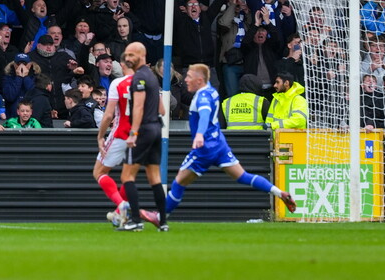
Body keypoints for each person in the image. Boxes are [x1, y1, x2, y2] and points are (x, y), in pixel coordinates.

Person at [140, 64, 296, 228]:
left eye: (189, 76)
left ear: (199, 80)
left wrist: (200, 134)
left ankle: (161, 217)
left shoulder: (202, 97)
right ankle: (280, 193)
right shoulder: (212, 92)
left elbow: (205, 114)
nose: (185, 79)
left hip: (205, 147)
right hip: (220, 144)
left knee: (179, 182)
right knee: (242, 176)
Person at [117, 41, 166, 231]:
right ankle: (163, 223)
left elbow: (137, 107)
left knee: (127, 175)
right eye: (126, 55)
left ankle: (136, 220)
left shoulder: (138, 78)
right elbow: (161, 108)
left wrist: (134, 133)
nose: (127, 58)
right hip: (156, 128)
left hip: (143, 130)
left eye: (131, 55)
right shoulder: (153, 77)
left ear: (141, 55)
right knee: (154, 177)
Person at [95, 55, 133, 228]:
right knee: (128, 177)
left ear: (123, 65)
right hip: (141, 136)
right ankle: (120, 215)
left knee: (99, 171)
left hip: (121, 133)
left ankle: (121, 205)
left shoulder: (117, 83)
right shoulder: (148, 82)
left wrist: (100, 136)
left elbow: (109, 115)